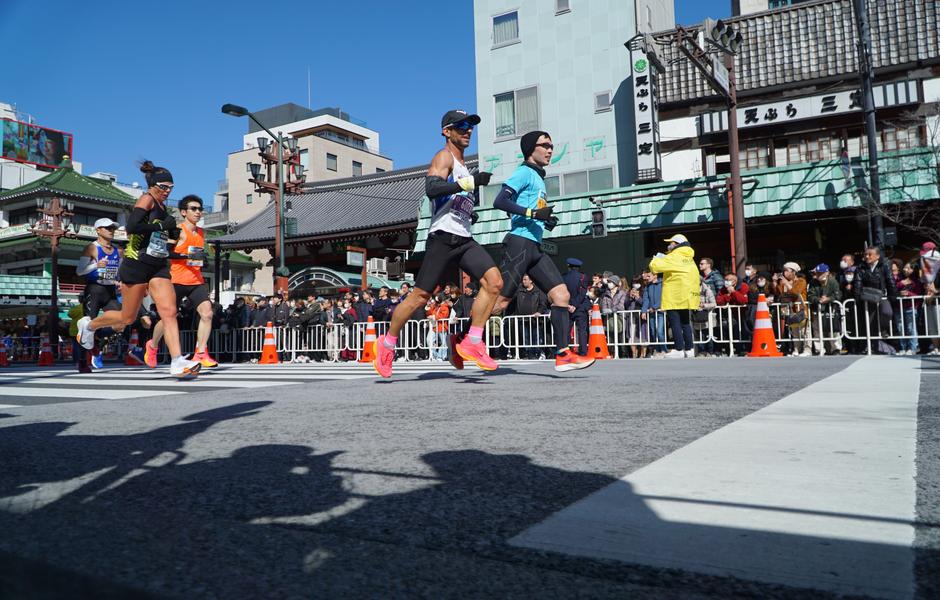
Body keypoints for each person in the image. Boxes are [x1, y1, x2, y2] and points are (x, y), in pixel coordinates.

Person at [373, 110, 502, 377]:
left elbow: (453, 199)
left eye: (471, 127)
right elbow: (432, 189)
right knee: (419, 297)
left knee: (494, 283)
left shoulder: (464, 166)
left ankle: (471, 341)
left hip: (464, 238)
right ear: (447, 131)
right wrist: (470, 182)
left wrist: (470, 210)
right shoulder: (444, 157)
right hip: (442, 238)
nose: (468, 130)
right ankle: (386, 344)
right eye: (462, 126)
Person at [76, 160, 200, 378]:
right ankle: (89, 326)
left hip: (158, 265)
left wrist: (180, 251)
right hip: (137, 264)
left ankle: (177, 361)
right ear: (152, 185)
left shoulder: (163, 206)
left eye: (171, 187)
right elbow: (133, 226)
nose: (167, 191)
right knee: (126, 318)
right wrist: (161, 226)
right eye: (163, 187)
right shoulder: (147, 199)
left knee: (169, 312)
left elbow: (160, 243)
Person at [490, 130, 594, 372]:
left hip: (534, 246)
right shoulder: (524, 172)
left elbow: (532, 209)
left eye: (552, 145)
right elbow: (500, 201)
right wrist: (533, 214)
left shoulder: (539, 178)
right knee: (500, 304)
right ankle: (463, 337)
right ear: (530, 149)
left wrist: (544, 220)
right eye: (545, 145)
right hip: (518, 243)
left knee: (561, 295)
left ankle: (563, 355)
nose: (550, 150)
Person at [145, 195, 217, 369]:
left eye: (200, 209)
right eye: (194, 209)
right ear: (184, 212)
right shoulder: (177, 229)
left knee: (207, 313)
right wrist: (185, 256)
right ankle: (152, 346)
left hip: (196, 280)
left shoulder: (201, 232)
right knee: (168, 318)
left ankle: (200, 352)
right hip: (175, 280)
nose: (198, 212)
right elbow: (163, 251)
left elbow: (196, 255)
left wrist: (203, 260)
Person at [74, 217, 123, 369]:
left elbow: (117, 272)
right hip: (94, 290)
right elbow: (79, 271)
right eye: (107, 228)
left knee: (121, 323)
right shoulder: (92, 248)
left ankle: (96, 339)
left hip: (110, 291)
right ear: (98, 230)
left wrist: (119, 281)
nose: (111, 231)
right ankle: (83, 362)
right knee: (87, 324)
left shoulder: (117, 251)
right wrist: (96, 265)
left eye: (113, 228)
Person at [649, 234, 700, 358]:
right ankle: (689, 349)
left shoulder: (674, 256)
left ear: (677, 244)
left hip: (675, 294)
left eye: (671, 242)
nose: (669, 244)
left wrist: (656, 258)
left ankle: (679, 349)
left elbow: (654, 268)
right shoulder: (689, 257)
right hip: (687, 295)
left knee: (675, 322)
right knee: (685, 322)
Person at [854, 246, 897, 354]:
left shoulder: (885, 265)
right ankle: (873, 347)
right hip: (867, 298)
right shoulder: (860, 267)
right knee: (870, 322)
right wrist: (857, 298)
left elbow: (890, 281)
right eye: (865, 254)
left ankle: (884, 328)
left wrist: (893, 297)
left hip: (882, 296)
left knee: (887, 312)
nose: (867, 256)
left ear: (877, 256)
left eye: (869, 254)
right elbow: (857, 284)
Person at [774, 262, 811, 356]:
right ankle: (796, 349)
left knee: (804, 330)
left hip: (801, 308)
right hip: (791, 309)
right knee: (794, 330)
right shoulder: (783, 282)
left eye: (787, 270)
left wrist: (786, 283)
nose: (784, 272)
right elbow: (780, 294)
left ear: (794, 272)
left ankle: (807, 349)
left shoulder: (801, 281)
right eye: (784, 270)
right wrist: (775, 282)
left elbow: (796, 292)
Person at [806, 263, 842, 356]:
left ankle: (836, 349)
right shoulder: (813, 282)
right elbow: (810, 296)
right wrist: (818, 300)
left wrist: (829, 299)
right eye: (817, 273)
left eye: (821, 273)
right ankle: (819, 349)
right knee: (817, 330)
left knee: (833, 329)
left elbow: (838, 295)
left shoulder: (833, 281)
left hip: (831, 309)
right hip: (817, 309)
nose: (819, 275)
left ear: (827, 273)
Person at [715, 272, 749, 355]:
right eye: (725, 280)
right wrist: (727, 296)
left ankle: (742, 349)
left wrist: (733, 292)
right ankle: (729, 350)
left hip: (742, 315)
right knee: (727, 332)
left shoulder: (743, 286)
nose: (725, 282)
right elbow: (718, 300)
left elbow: (743, 300)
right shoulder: (723, 288)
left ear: (734, 281)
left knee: (742, 332)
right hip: (728, 316)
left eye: (727, 280)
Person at [563, 258, 590, 356]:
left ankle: (566, 352)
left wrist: (569, 304)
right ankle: (583, 352)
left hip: (568, 307)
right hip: (580, 307)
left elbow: (563, 293)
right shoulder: (583, 277)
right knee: (582, 331)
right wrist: (575, 305)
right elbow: (582, 294)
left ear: (568, 266)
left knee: (566, 330)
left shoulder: (564, 277)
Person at [895, 261, 922, 355]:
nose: (904, 269)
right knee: (900, 328)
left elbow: (918, 294)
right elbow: (895, 289)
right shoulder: (899, 279)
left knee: (911, 328)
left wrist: (908, 293)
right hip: (899, 307)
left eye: (907, 268)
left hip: (911, 307)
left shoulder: (917, 281)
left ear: (912, 270)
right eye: (904, 267)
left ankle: (912, 348)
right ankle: (902, 348)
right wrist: (902, 284)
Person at [640, 270, 666, 356]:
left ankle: (663, 349)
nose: (646, 278)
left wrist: (654, 307)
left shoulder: (663, 284)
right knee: (652, 332)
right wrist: (643, 311)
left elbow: (663, 297)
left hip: (660, 312)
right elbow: (646, 299)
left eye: (648, 276)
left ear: (655, 275)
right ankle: (657, 350)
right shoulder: (648, 286)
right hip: (651, 313)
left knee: (660, 331)